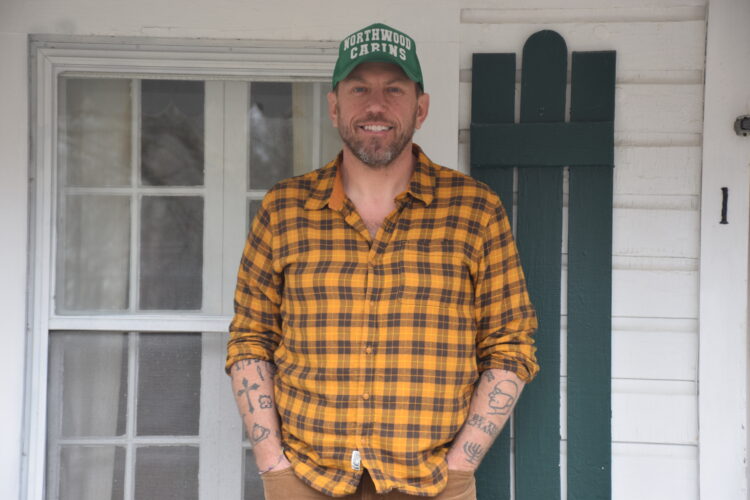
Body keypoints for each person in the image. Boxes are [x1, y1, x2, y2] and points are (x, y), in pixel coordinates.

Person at [226, 22, 538, 500]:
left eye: (394, 89)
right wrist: (273, 466)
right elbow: (251, 339)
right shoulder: (284, 210)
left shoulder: (474, 211)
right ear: (334, 107)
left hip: (433, 484)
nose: (376, 105)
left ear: (421, 108)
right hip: (306, 481)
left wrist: (460, 468)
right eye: (359, 89)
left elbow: (511, 345)